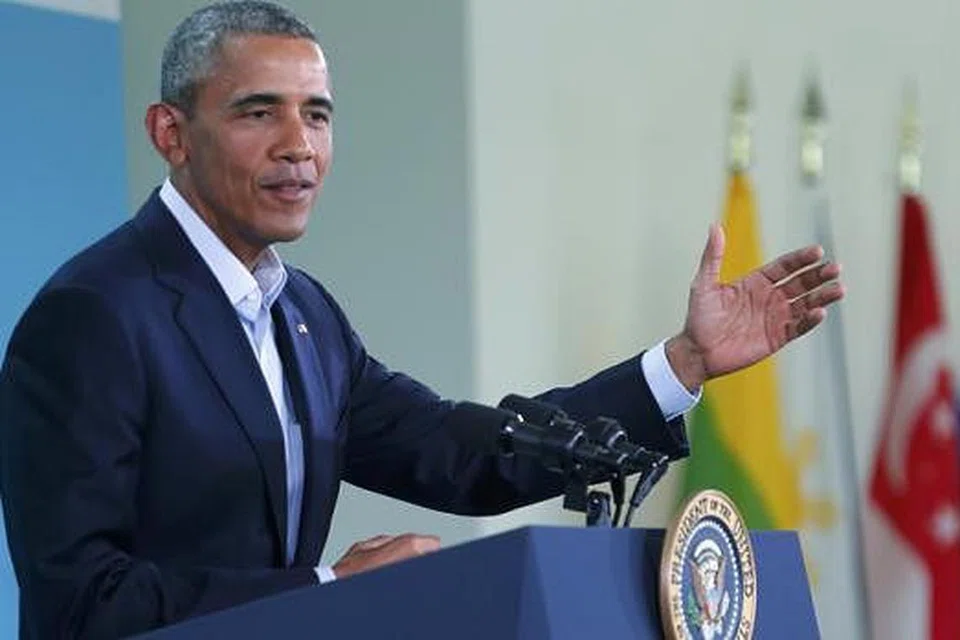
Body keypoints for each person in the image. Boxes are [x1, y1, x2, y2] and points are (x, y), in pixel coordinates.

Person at [0, 2, 843, 638]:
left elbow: (458, 454)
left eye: (317, 114)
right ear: (171, 133)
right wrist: (327, 590)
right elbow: (80, 599)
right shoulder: (95, 314)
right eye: (259, 112)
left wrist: (683, 363)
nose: (299, 145)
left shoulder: (305, 315)